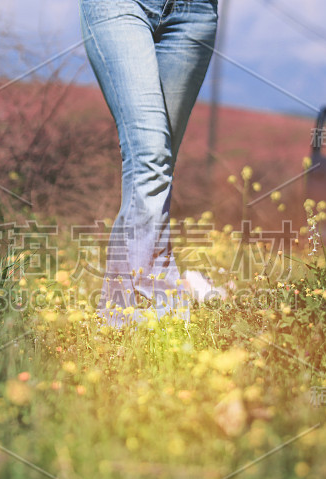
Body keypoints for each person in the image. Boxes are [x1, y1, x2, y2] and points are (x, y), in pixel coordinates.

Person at [80, 0, 219, 326]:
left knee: (158, 166)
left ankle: (119, 314)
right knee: (151, 159)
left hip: (195, 13)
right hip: (120, 7)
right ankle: (156, 310)